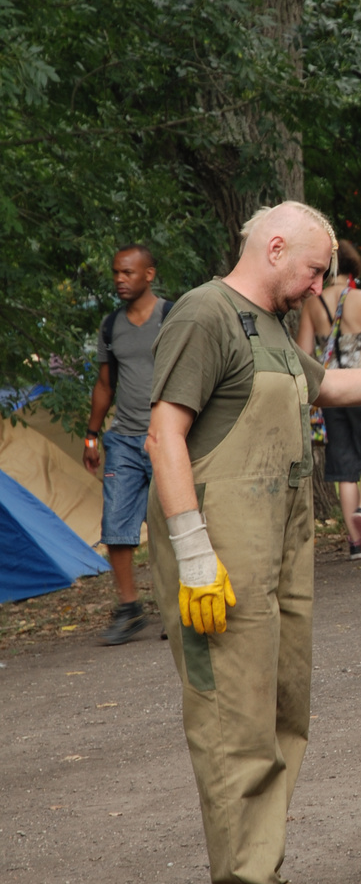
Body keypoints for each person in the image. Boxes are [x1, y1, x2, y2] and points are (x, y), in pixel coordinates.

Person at [145, 200, 361, 884]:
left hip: (279, 550)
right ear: (277, 246)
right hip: (219, 560)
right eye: (316, 269)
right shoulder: (204, 314)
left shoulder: (277, 328)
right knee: (235, 725)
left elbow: (322, 389)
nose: (321, 284)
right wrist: (193, 551)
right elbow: (164, 432)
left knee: (284, 716)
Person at [84, 245, 172, 646]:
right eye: (116, 272)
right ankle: (129, 608)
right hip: (123, 438)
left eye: (128, 272)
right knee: (116, 526)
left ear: (149, 274)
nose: (120, 279)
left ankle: (178, 608)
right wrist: (92, 434)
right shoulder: (110, 326)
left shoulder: (172, 317)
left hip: (168, 437)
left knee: (171, 524)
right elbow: (105, 384)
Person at [296, 240, 361, 556]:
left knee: (345, 463)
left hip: (332, 390)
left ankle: (356, 543)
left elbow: (302, 351)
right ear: (353, 269)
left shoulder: (313, 304)